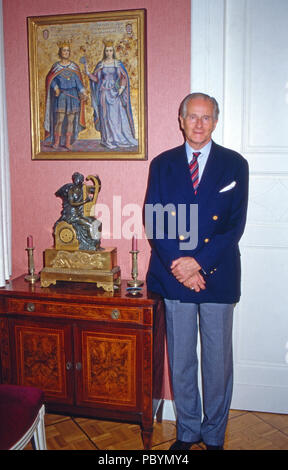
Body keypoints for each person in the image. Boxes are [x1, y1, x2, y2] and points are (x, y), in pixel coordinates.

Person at [144, 93, 249, 450]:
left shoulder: (235, 164)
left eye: (206, 118)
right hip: (174, 275)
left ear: (215, 122)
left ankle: (215, 435)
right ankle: (188, 431)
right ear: (180, 119)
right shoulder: (162, 163)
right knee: (182, 360)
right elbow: (154, 220)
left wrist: (199, 263)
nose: (199, 124)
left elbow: (234, 226)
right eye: (193, 117)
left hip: (216, 274)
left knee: (217, 364)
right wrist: (181, 267)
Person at [82, 40, 137, 150]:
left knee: (117, 116)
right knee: (106, 116)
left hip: (115, 92)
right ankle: (108, 139)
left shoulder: (118, 64)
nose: (108, 52)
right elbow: (97, 79)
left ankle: (119, 138)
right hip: (104, 93)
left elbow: (124, 77)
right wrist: (88, 73)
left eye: (110, 50)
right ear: (104, 52)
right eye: (107, 50)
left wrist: (121, 88)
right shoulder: (101, 64)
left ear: (113, 52)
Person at [44, 41, 87, 150]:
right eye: (64, 50)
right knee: (60, 119)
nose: (66, 52)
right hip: (62, 95)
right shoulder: (56, 66)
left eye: (68, 50)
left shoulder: (74, 67)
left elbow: (79, 83)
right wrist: (55, 87)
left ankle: (67, 142)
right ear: (60, 52)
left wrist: (83, 91)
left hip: (73, 96)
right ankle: (56, 141)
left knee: (70, 120)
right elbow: (51, 79)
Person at [55, 172, 102, 250]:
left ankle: (96, 244)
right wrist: (85, 202)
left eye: (78, 179)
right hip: (72, 216)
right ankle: (90, 245)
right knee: (89, 225)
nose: (76, 181)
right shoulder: (71, 190)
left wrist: (97, 181)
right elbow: (72, 203)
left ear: (81, 180)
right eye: (75, 179)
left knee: (98, 223)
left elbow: (96, 189)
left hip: (81, 214)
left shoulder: (84, 188)